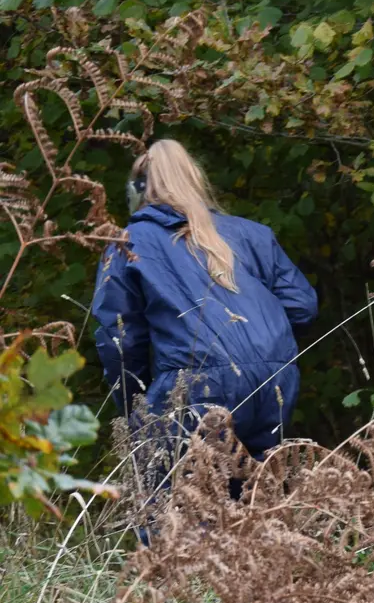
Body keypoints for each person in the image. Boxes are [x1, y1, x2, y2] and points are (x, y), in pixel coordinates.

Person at [91, 140, 318, 497]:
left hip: (191, 385)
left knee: (174, 508)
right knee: (254, 500)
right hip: (273, 383)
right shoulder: (252, 234)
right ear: (196, 180)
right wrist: (257, 342)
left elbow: (118, 339)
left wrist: (136, 407)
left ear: (138, 189)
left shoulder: (130, 243)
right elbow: (302, 306)